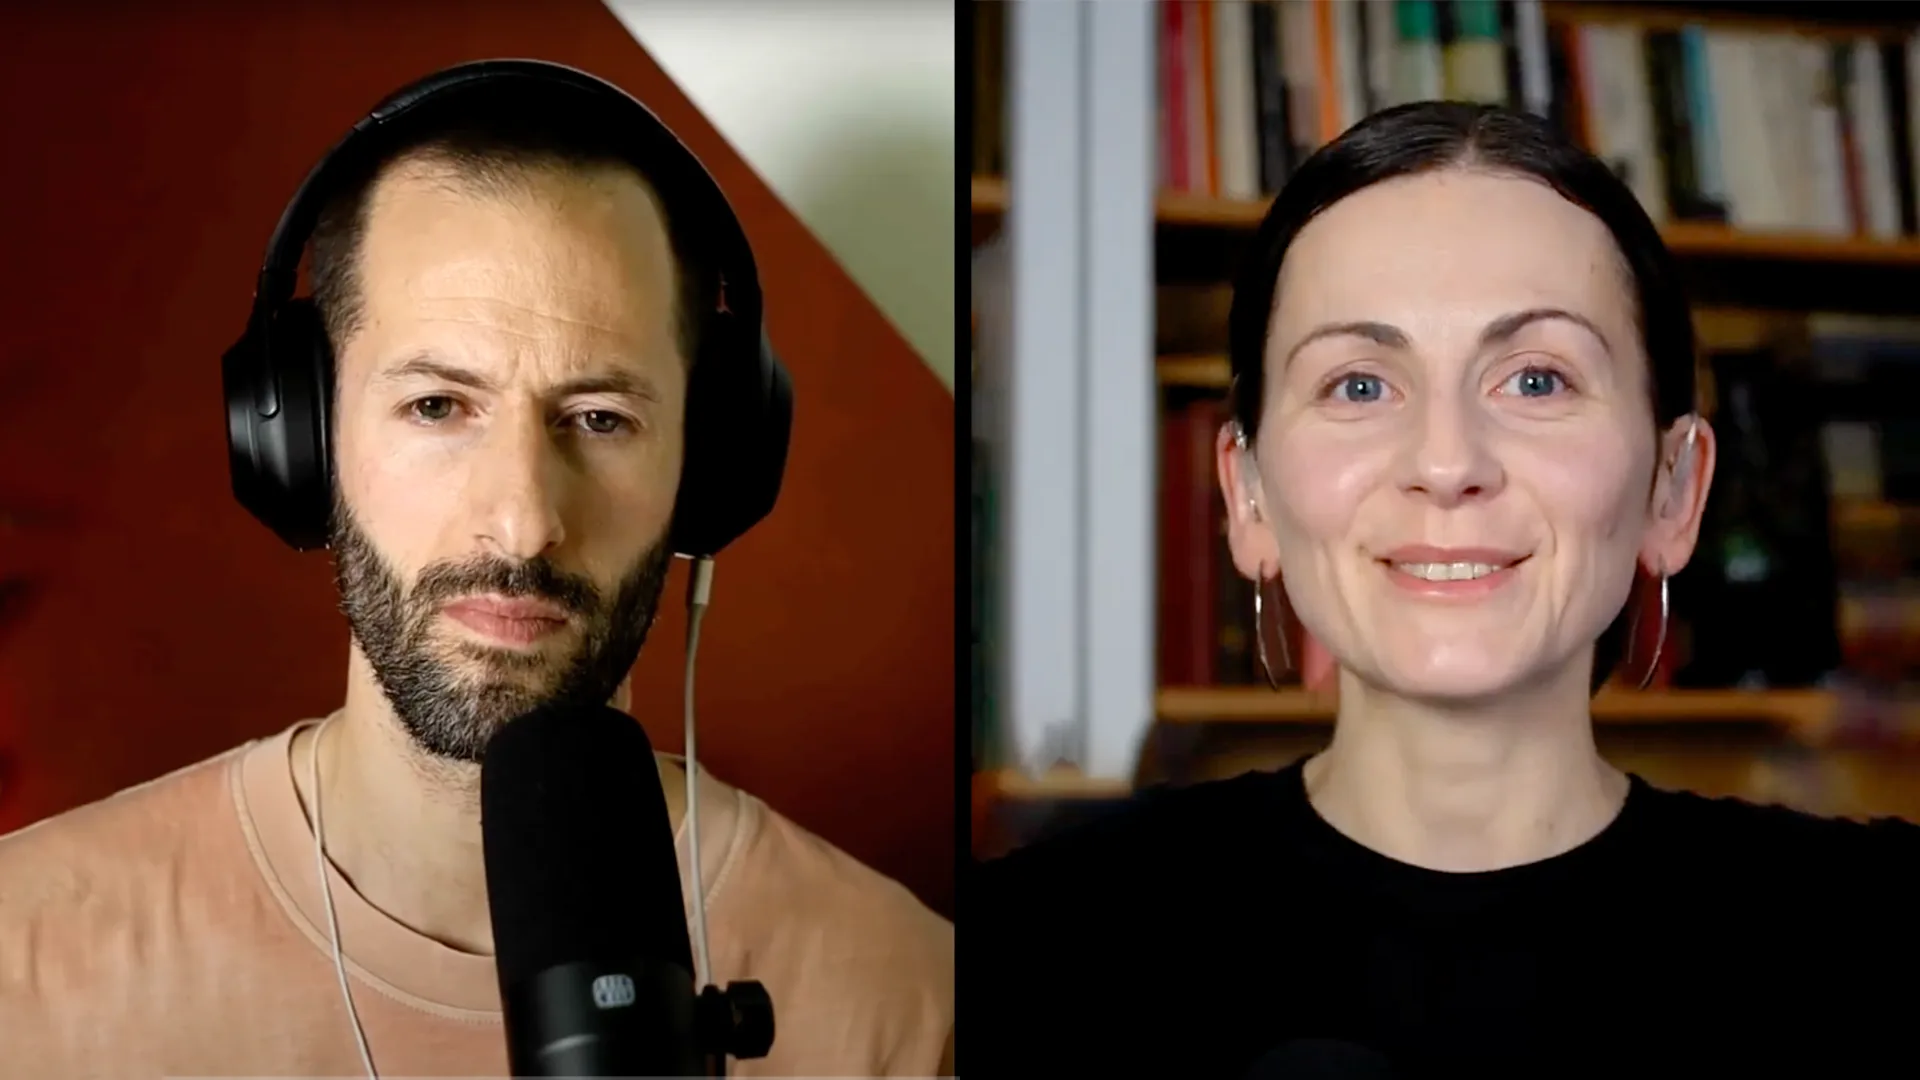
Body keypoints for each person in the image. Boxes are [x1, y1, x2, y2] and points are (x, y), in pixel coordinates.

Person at [0, 64, 953, 1078]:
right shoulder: (28, 964)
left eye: (600, 419)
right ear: (300, 436)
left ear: (712, 462)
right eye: (438, 407)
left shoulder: (909, 1004)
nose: (524, 520)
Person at [970, 101, 1920, 1077]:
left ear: (1672, 490)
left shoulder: (1883, 937)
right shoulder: (1019, 949)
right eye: (1360, 385)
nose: (1446, 461)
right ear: (1247, 496)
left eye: (1538, 380)